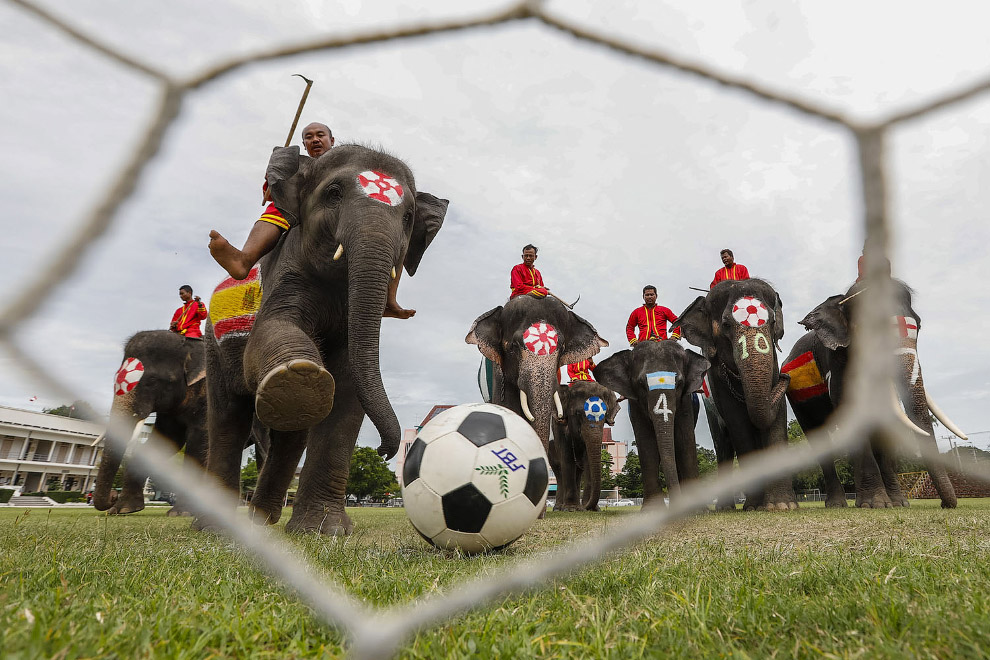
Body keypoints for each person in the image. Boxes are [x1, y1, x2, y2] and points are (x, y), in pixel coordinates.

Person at [208, 122, 414, 319]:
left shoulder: (347, 162)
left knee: (393, 233)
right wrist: (273, 180)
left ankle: (389, 299)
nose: (315, 139)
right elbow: (278, 194)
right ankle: (245, 259)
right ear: (304, 144)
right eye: (309, 137)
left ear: (332, 140)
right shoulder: (299, 167)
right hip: (305, 216)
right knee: (275, 211)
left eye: (320, 135)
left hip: (347, 219)